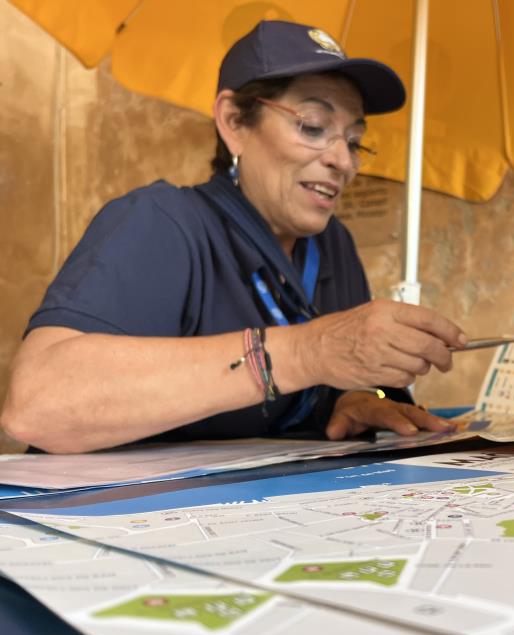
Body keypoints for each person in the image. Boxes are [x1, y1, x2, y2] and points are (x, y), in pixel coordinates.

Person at [0, 21, 469, 455]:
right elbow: (37, 405)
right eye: (312, 126)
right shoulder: (164, 223)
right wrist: (307, 351)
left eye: (353, 140)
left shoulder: (334, 247)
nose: (344, 163)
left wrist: (352, 399)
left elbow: (318, 396)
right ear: (234, 123)